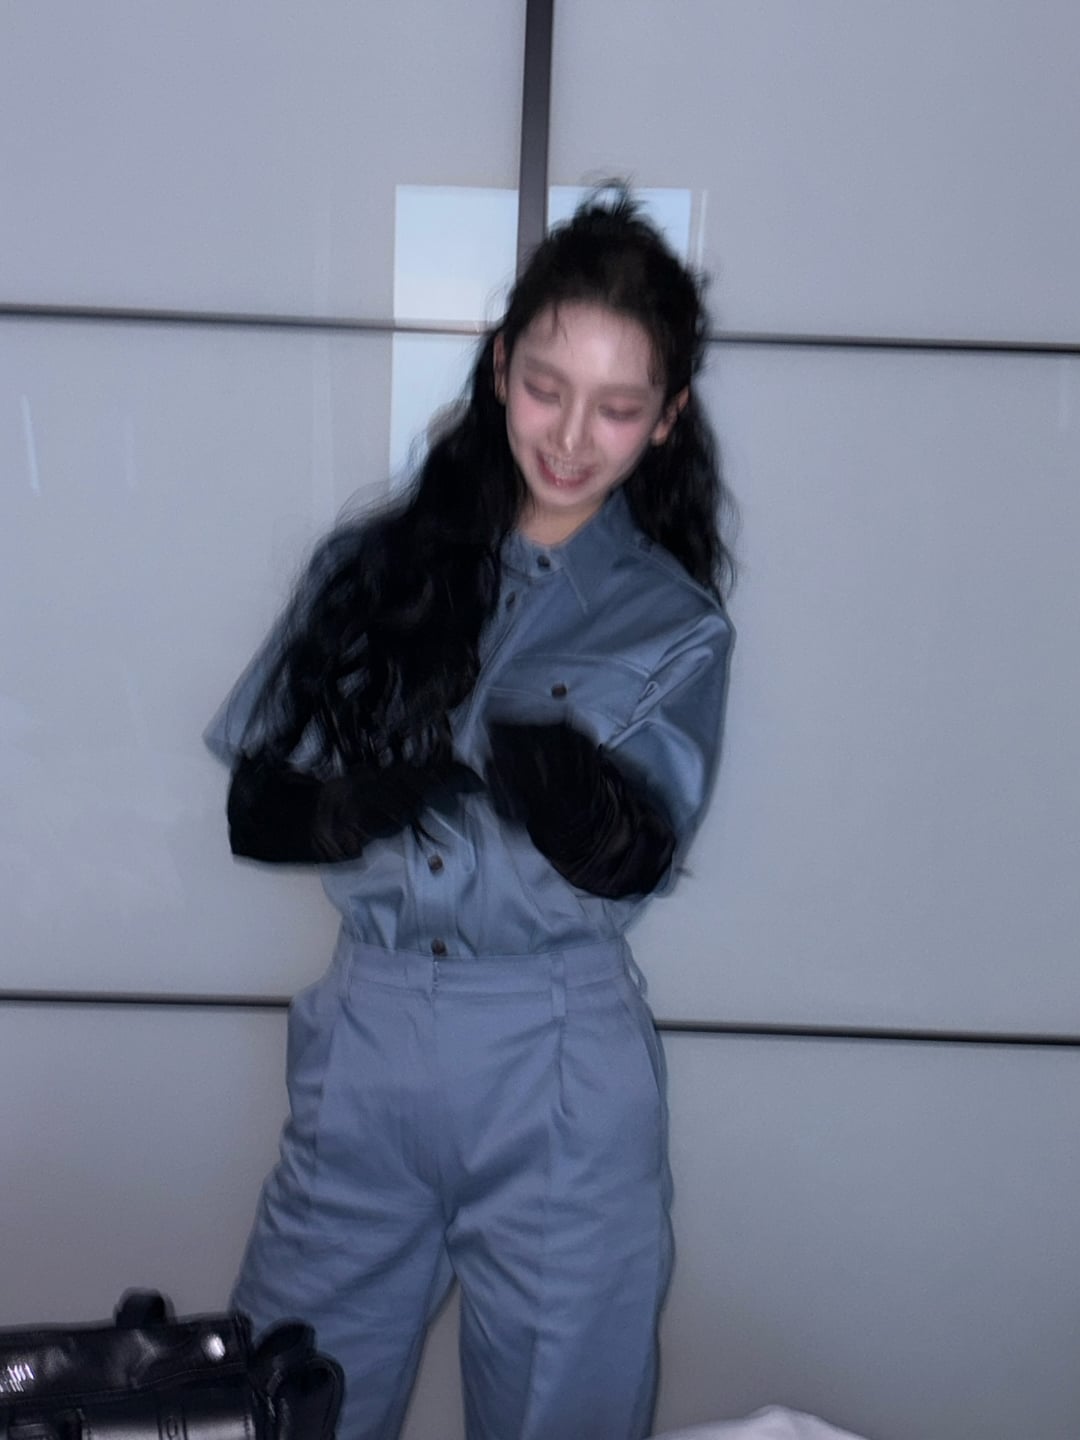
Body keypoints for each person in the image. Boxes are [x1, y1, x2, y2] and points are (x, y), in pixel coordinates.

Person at [205, 189, 735, 1440]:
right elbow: (255, 808)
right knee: (290, 1401)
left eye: (618, 407)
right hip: (371, 1033)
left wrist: (564, 789)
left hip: (556, 1048)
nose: (573, 435)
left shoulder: (673, 620)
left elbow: (636, 854)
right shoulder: (369, 569)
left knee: (564, 1412)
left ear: (667, 418)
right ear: (500, 369)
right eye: (547, 387)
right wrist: (355, 806)